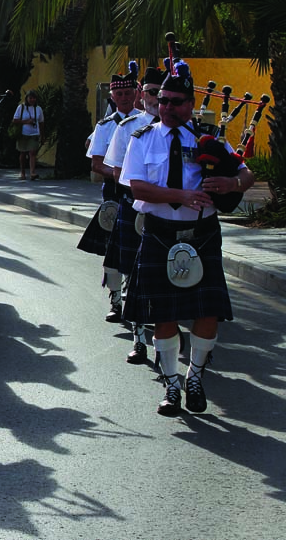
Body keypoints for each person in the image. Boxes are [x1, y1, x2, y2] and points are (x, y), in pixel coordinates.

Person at [119, 63, 255, 416]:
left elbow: (245, 172)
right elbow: (137, 187)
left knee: (206, 312)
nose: (167, 107)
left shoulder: (208, 138)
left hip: (203, 234)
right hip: (160, 232)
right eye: (163, 100)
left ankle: (195, 376)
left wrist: (232, 184)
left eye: (176, 102)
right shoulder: (142, 139)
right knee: (163, 315)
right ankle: (172, 385)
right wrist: (180, 194)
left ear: (191, 103)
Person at [103, 65, 163, 363]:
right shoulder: (128, 128)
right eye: (153, 93)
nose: (159, 99)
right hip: (137, 208)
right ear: (145, 94)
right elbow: (115, 171)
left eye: (164, 94)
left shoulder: (195, 132)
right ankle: (139, 339)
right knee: (134, 274)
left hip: (177, 216)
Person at [76, 63, 141, 322]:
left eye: (128, 94)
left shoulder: (147, 121)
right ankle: (115, 300)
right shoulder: (105, 126)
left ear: (136, 94)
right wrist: (122, 175)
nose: (124, 98)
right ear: (112, 97)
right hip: (114, 193)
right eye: (119, 95)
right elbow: (96, 163)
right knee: (112, 253)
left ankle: (134, 293)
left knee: (137, 248)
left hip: (143, 194)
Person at [12, 90, 44, 180]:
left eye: (34, 98)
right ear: (27, 98)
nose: (32, 100)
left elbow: (41, 122)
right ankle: (22, 172)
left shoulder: (38, 109)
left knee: (32, 152)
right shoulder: (21, 107)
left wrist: (42, 135)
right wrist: (26, 121)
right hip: (23, 134)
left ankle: (32, 173)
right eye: (30, 98)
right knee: (23, 153)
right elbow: (15, 120)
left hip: (34, 134)